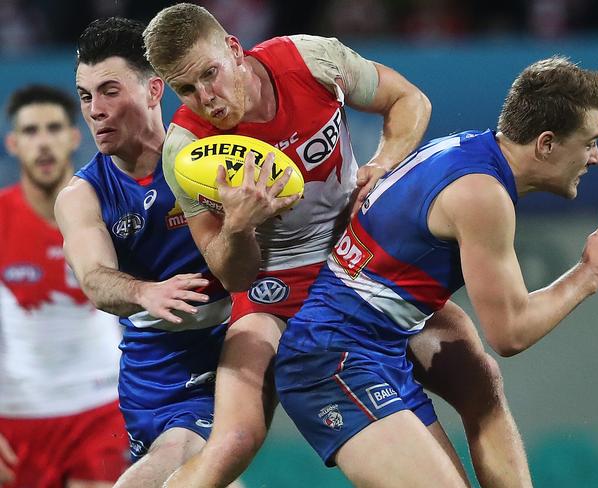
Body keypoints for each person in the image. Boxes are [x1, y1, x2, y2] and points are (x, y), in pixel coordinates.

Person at [144, 3, 531, 487]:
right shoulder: (184, 149)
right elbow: (231, 275)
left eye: (210, 75)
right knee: (234, 442)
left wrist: (385, 162)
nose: (207, 99)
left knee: (481, 381)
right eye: (186, 89)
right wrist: (239, 226)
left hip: (358, 267)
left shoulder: (311, 61)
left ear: (234, 50)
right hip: (270, 293)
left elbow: (410, 100)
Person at [274, 56, 598, 486]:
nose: (596, 158)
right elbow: (510, 333)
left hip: (377, 347)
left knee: (481, 381)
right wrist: (589, 274)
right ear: (546, 144)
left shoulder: (469, 148)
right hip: (330, 359)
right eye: (589, 143)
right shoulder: (482, 196)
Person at [53, 18, 242, 488]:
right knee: (175, 458)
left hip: (251, 335)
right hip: (165, 373)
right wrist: (145, 292)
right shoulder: (83, 195)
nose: (94, 110)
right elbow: (95, 278)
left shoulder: (213, 150)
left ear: (155, 89)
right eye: (85, 96)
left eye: (110, 91)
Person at [0, 85, 127, 487]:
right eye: (31, 131)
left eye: (54, 128)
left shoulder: (114, 212)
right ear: (13, 143)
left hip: (101, 408)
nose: (43, 143)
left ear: (74, 137)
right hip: (16, 415)